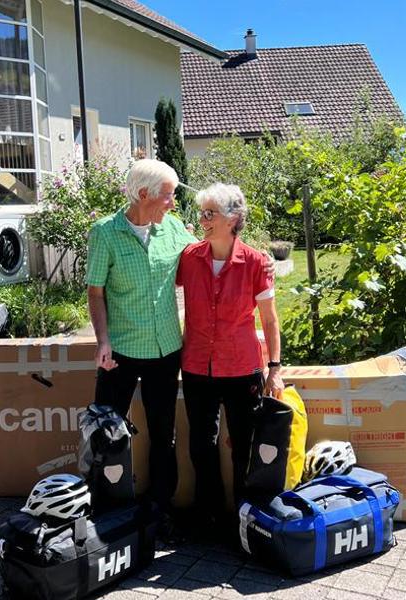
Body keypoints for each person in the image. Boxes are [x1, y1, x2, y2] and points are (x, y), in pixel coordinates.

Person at [85, 159, 196, 531]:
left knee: (164, 433)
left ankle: (160, 509)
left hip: (165, 349)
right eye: (168, 195)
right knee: (107, 430)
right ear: (144, 193)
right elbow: (95, 292)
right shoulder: (105, 232)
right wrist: (103, 340)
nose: (172, 202)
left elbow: (203, 259)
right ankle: (105, 504)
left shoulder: (175, 228)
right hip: (121, 351)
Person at [176, 183, 284, 537]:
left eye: (211, 214)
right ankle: (208, 515)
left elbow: (269, 319)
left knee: (243, 445)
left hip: (242, 367)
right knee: (200, 445)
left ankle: (244, 515)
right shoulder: (189, 257)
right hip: (197, 366)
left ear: (233, 219)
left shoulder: (255, 262)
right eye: (202, 213)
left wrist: (275, 370)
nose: (203, 219)